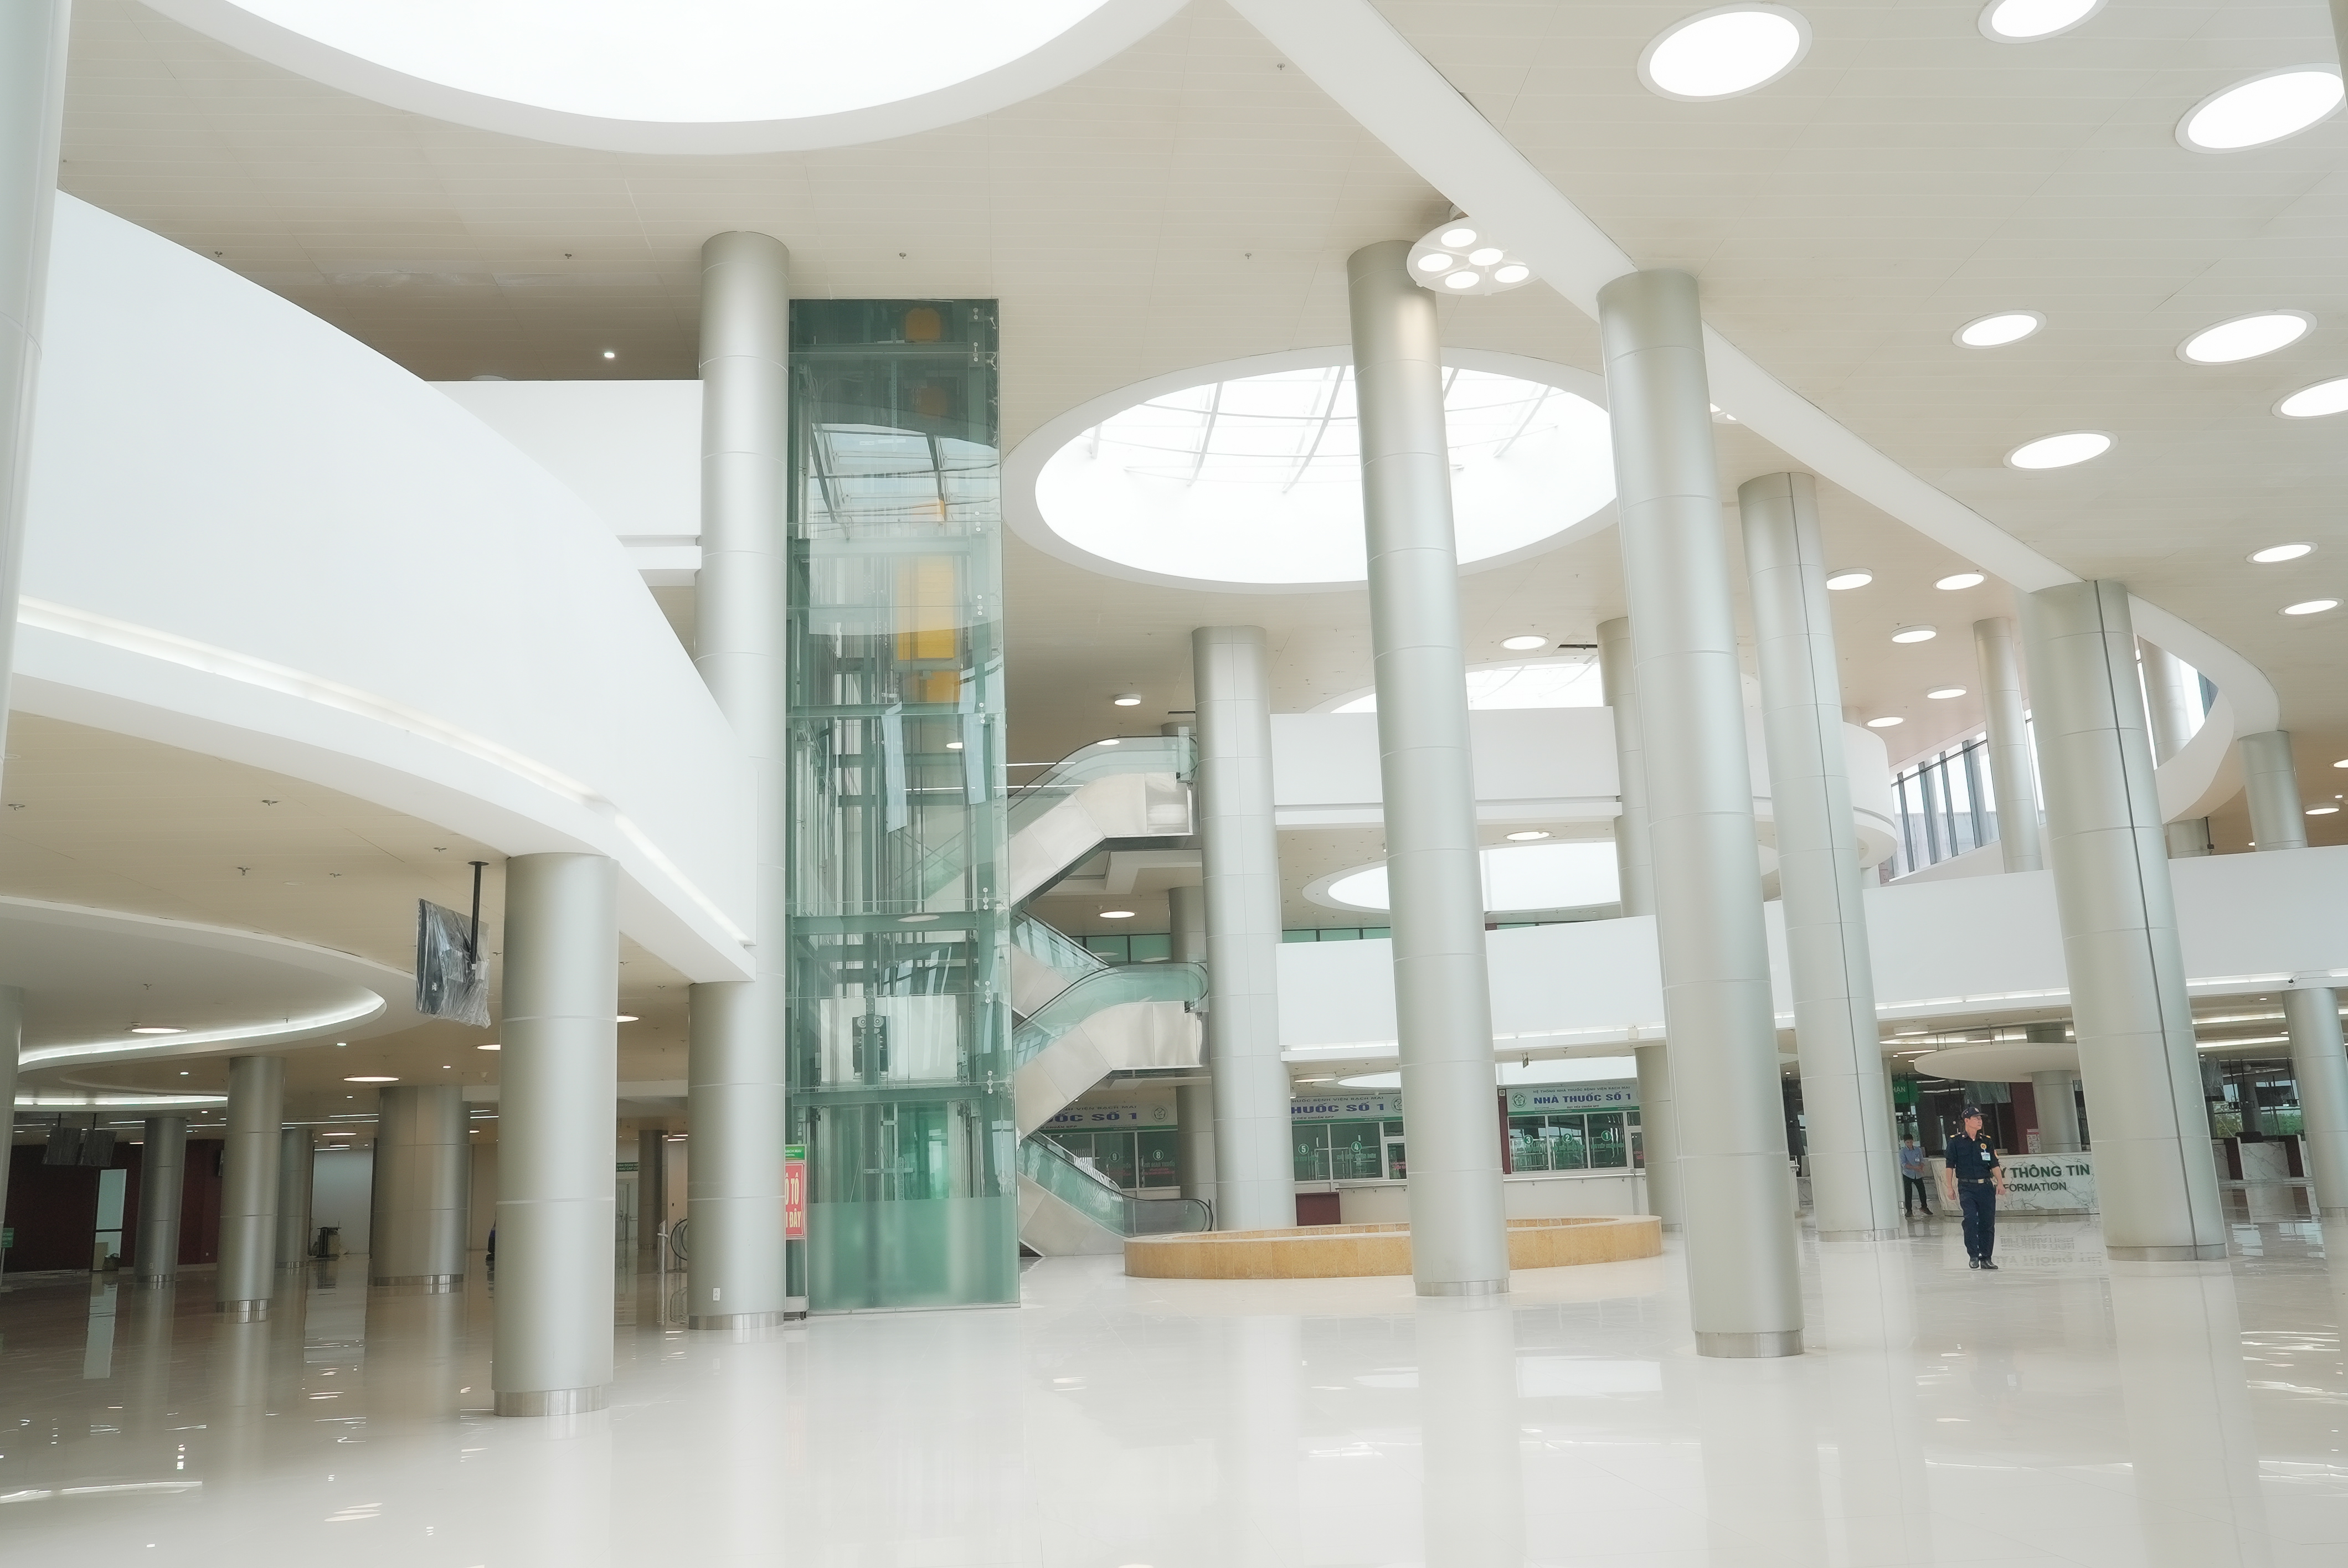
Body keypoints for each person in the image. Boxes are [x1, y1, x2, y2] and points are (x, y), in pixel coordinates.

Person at [1942, 1107, 2004, 1270]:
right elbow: (1949, 1166)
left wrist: (2000, 1183)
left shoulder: (1986, 1141)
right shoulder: (1955, 1142)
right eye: (1976, 1118)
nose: (1979, 1121)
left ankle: (1986, 1257)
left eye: (1980, 1118)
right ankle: (1974, 1255)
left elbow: (1994, 1164)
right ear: (1967, 1121)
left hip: (1986, 1187)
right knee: (1970, 1220)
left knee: (1987, 1222)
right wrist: (1949, 1187)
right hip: (1967, 1187)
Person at [1899, 1134, 1932, 1216]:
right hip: (1908, 1174)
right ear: (1905, 1143)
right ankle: (1909, 1210)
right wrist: (1914, 1168)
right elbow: (1903, 1164)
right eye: (1908, 1142)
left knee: (1922, 1191)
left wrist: (1921, 1167)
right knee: (1908, 1192)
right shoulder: (1903, 1151)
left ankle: (1924, 1207)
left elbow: (1922, 1160)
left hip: (1918, 1174)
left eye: (1911, 1142)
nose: (1910, 1144)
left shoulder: (1918, 1150)